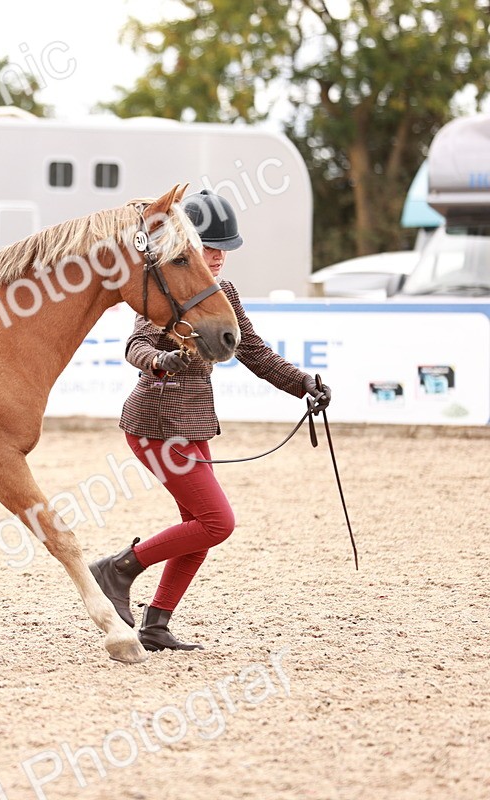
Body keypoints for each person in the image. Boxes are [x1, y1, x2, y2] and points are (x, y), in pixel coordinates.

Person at [90, 189, 332, 652]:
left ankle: (156, 625)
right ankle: (119, 568)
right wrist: (162, 361)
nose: (217, 257)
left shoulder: (226, 296)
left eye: (223, 248)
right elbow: (135, 347)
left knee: (197, 531)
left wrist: (304, 383)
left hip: (194, 425)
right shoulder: (171, 290)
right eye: (208, 247)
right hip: (156, 423)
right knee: (218, 522)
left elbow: (255, 353)